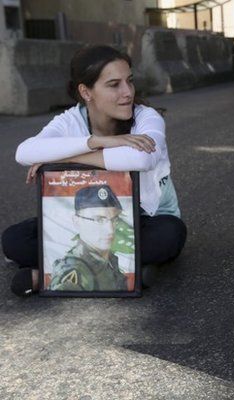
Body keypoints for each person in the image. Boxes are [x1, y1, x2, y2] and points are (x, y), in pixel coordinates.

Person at [2, 45, 187, 296]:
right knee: (14, 239)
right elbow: (24, 152)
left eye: (129, 81)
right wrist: (97, 141)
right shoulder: (71, 120)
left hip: (147, 217)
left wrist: (68, 156)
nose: (127, 93)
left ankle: (52, 273)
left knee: (169, 236)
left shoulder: (147, 117)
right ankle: (127, 271)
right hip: (88, 222)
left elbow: (142, 159)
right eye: (114, 84)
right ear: (86, 92)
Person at [49, 185, 128, 291]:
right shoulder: (75, 269)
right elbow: (63, 300)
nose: (110, 229)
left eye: (114, 220)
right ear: (77, 222)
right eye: (99, 220)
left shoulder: (108, 259)